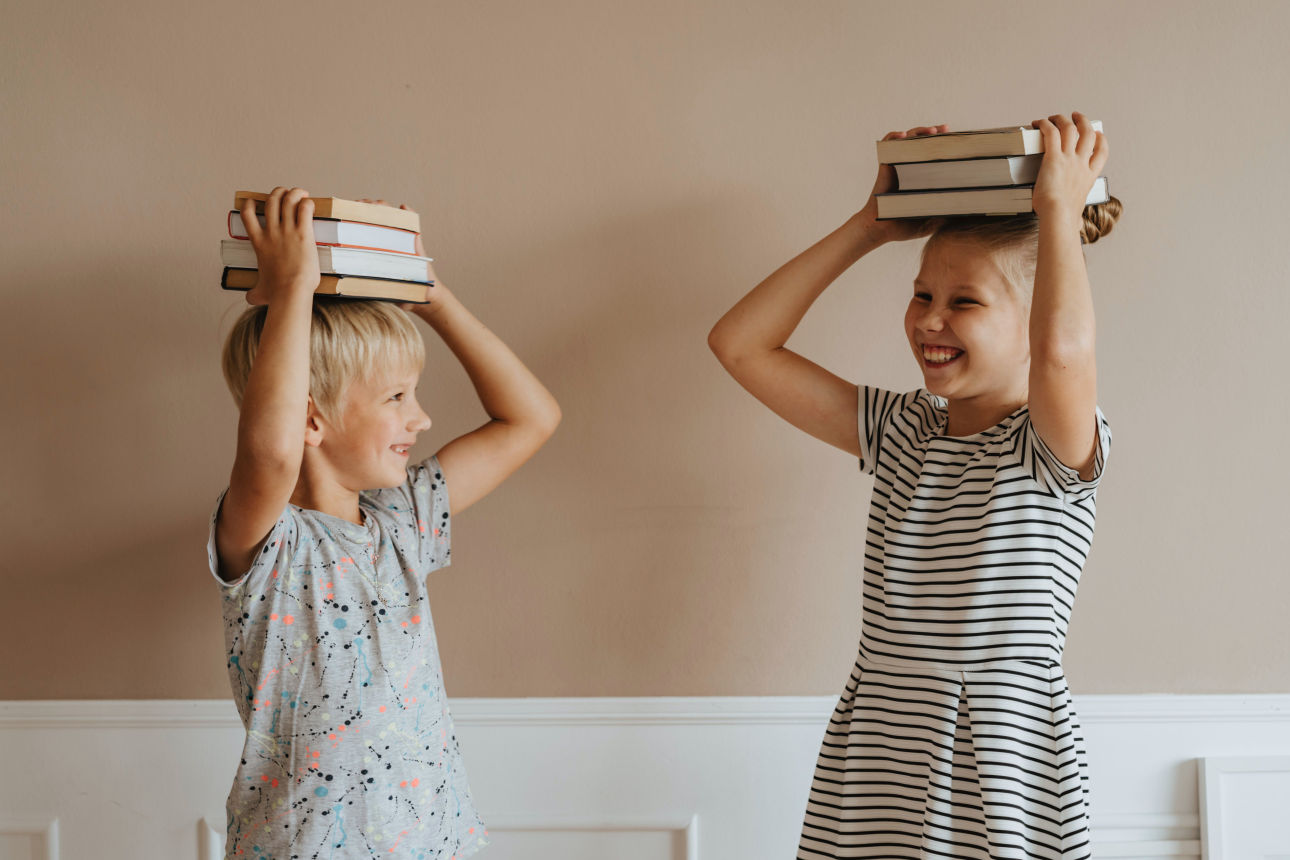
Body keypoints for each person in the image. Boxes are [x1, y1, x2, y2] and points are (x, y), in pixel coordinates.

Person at [708, 113, 1120, 859]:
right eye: (921, 295)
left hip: (1002, 762)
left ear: (1034, 322)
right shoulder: (903, 431)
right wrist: (870, 226)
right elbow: (740, 344)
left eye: (963, 301)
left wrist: (1060, 209)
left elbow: (1063, 354)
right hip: (881, 753)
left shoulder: (1049, 449)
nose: (930, 320)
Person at [210, 186, 561, 858]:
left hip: (431, 843)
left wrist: (430, 297)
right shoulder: (268, 542)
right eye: (397, 397)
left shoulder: (403, 523)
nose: (421, 418)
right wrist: (291, 291)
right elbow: (271, 449)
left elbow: (532, 418)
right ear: (311, 418)